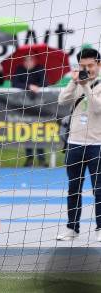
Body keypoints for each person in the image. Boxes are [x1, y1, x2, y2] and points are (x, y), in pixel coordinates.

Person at [56, 48, 101, 242]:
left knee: (99, 189)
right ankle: (72, 228)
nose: (87, 69)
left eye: (90, 65)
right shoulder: (77, 81)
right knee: (74, 188)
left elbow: (97, 108)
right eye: (83, 66)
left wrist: (86, 87)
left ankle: (100, 228)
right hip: (75, 143)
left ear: (99, 64)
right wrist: (74, 82)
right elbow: (61, 100)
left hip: (97, 144)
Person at [12, 54, 49, 167]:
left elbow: (45, 83)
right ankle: (29, 159)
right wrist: (28, 86)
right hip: (23, 106)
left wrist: (35, 87)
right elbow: (15, 83)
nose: (28, 62)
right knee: (26, 130)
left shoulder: (40, 69)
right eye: (26, 60)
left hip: (39, 106)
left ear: (35, 60)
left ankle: (41, 159)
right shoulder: (19, 70)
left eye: (30, 59)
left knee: (38, 130)